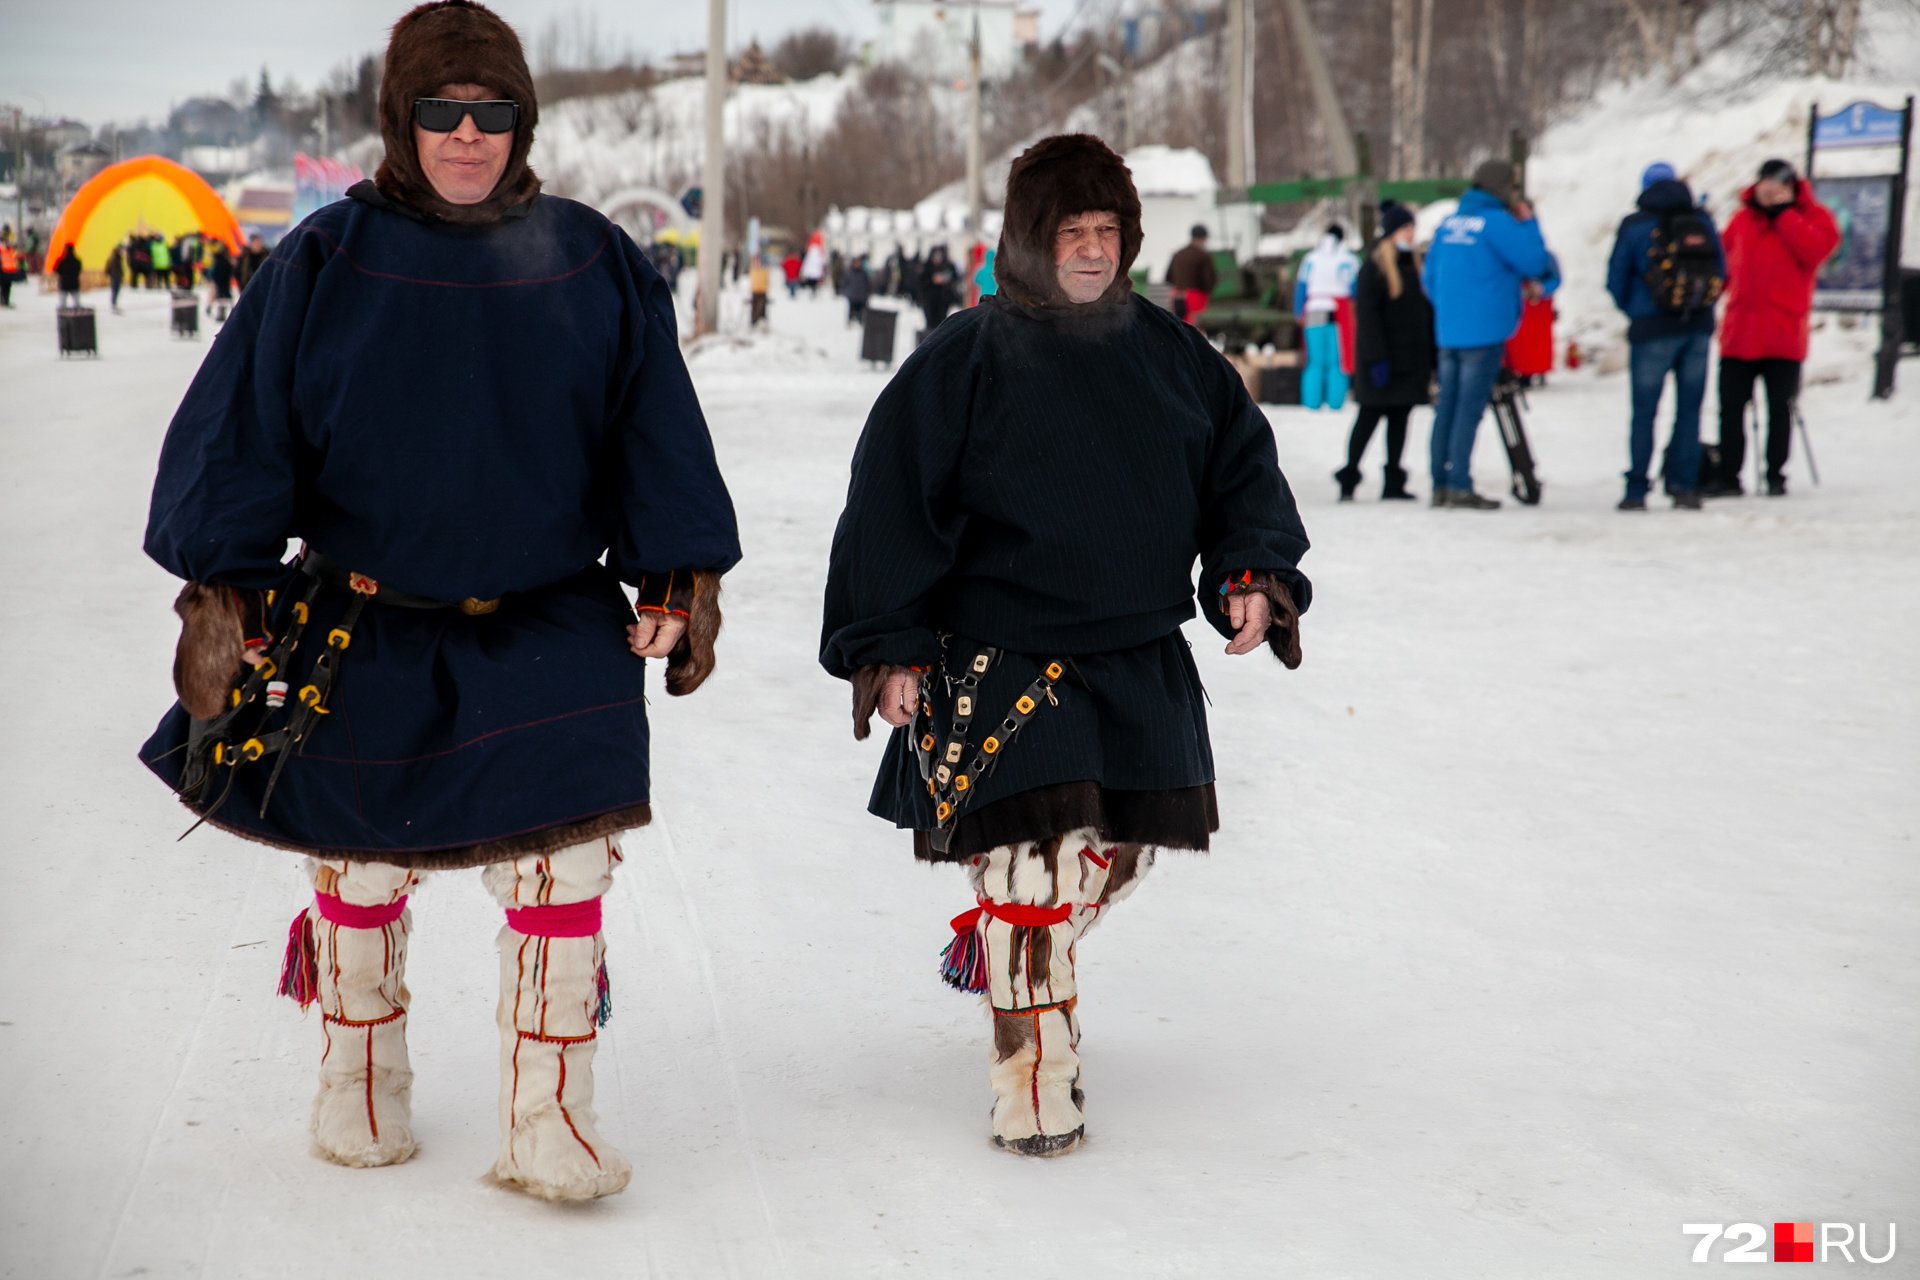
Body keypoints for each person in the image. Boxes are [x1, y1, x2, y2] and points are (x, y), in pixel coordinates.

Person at [138, 0, 740, 1203]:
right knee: (360, 870)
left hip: (552, 617)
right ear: (399, 121)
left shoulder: (591, 258)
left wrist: (679, 574)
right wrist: (231, 588)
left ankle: (550, 1122)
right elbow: (240, 430)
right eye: (441, 113)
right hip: (368, 618)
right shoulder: (325, 258)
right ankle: (360, 1083)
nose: (468, 137)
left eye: (493, 114)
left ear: (524, 123)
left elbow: (654, 430)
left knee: (566, 867)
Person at [821, 133, 1310, 1158]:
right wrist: (892, 647)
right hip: (1000, 664)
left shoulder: (1176, 356)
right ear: (1027, 241)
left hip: (1137, 654)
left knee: (1108, 862)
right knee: (1036, 879)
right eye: (1070, 232)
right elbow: (891, 506)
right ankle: (1033, 1076)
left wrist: (1250, 573)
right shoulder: (963, 355)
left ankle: (1010, 947)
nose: (1091, 251)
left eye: (1107, 232)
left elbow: (1242, 477)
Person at [1704, 159, 1840, 497]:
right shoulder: (1742, 221)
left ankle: (1775, 474)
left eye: (1777, 186)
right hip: (1740, 334)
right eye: (1765, 185)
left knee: (1780, 409)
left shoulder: (1813, 219)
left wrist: (1784, 216)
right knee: (1731, 408)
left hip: (1782, 334)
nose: (1769, 192)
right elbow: (1721, 265)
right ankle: (1728, 475)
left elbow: (1815, 250)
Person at [1421, 159, 1552, 509]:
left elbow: (1429, 278)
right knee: (1468, 409)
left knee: (1446, 407)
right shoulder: (1497, 223)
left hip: (1449, 331)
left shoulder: (1449, 224)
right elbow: (1534, 263)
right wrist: (1530, 223)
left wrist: (1451, 310)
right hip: (1484, 331)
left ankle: (1440, 483)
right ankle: (1460, 483)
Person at [1605, 162, 1726, 510]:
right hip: (1697, 329)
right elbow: (1722, 270)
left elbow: (1616, 277)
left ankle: (1636, 489)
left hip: (1651, 330)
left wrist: (1637, 310)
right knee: (1689, 411)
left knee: (1644, 412)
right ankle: (1683, 486)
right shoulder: (1701, 221)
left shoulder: (1635, 225)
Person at [1336, 201, 1432, 501]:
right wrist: (1377, 358)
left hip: (1409, 361)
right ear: (1391, 232)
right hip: (1382, 360)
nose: (1411, 234)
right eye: (1406, 228)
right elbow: (1368, 318)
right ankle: (1349, 476)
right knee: (1368, 418)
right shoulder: (1374, 269)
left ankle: (1393, 482)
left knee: (1400, 420)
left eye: (1412, 228)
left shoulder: (1413, 267)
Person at [1295, 225, 1359, 411]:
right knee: (1336, 361)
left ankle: (1311, 402)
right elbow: (1356, 289)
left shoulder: (1310, 258)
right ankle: (1335, 403)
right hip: (1339, 313)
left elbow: (1301, 287)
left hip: (1314, 309)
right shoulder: (1349, 259)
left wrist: (1299, 312)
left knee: (1314, 361)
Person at [1165, 223, 1217, 323]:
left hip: (1176, 295)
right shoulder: (1203, 256)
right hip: (1195, 297)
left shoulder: (1178, 254)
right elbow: (1209, 280)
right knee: (1194, 330)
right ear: (1204, 239)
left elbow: (1168, 277)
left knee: (1179, 327)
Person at [918, 243, 958, 332]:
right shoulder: (926, 268)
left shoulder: (948, 266)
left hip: (943, 301)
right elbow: (920, 282)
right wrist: (932, 280)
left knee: (941, 324)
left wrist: (944, 279)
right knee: (930, 324)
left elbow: (954, 278)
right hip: (929, 301)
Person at [843, 252, 872, 325]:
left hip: (861, 296)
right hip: (852, 296)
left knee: (861, 311)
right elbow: (845, 283)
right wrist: (845, 292)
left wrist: (867, 293)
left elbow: (867, 283)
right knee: (852, 310)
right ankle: (851, 321)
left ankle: (861, 321)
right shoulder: (850, 272)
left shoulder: (863, 272)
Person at [53, 242, 83, 308]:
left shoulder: (61, 261)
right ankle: (77, 316)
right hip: (74, 283)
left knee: (62, 304)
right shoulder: (77, 261)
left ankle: (63, 316)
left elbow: (55, 270)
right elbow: (79, 270)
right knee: (77, 303)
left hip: (64, 284)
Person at [749, 255, 771, 325]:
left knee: (762, 307)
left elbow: (766, 279)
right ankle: (754, 321)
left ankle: (761, 320)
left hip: (762, 290)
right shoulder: (753, 269)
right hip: (755, 290)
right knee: (755, 307)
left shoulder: (764, 269)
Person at [0, 233, 19, 308]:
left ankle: (6, 301)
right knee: (3, 287)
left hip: (10, 271)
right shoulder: (1, 249)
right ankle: (3, 301)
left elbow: (14, 259)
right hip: (3, 270)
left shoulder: (11, 249)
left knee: (8, 287)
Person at [106, 243, 126, 311]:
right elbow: (115, 268)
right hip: (116, 276)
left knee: (115, 290)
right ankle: (113, 304)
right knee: (115, 290)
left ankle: (114, 303)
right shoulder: (116, 258)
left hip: (115, 276)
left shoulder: (114, 257)